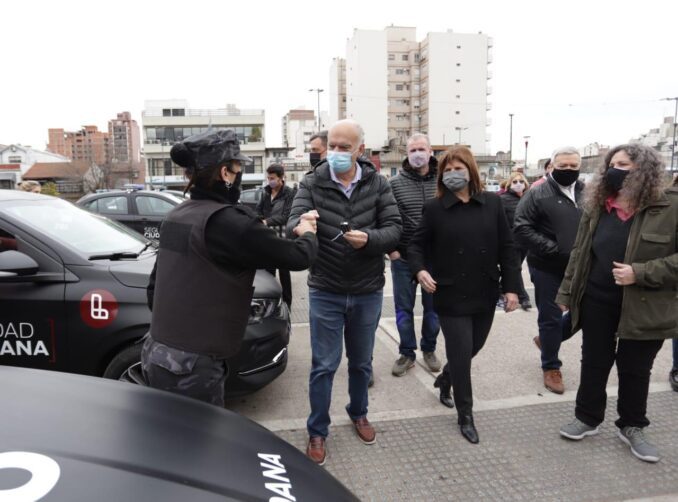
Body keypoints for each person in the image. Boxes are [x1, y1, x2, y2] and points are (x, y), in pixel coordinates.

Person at [142, 129, 318, 407]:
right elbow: (299, 257)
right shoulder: (231, 223)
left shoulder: (176, 215)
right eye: (238, 169)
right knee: (200, 445)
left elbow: (155, 290)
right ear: (225, 173)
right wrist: (308, 231)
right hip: (193, 365)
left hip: (156, 352)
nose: (239, 176)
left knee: (169, 440)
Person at [287, 119, 401, 465]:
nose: (336, 152)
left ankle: (359, 412)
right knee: (323, 365)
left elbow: (395, 230)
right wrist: (302, 225)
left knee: (362, 363)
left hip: (367, 289)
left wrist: (370, 240)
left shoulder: (379, 184)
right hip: (326, 289)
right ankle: (317, 431)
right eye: (332, 146)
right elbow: (294, 222)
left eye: (343, 147)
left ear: (360, 151)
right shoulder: (312, 181)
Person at [556, 144, 678, 463]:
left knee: (635, 368)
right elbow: (580, 254)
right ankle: (587, 417)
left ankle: (632, 426)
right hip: (597, 299)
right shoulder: (598, 204)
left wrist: (640, 273)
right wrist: (567, 295)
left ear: (644, 169)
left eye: (624, 164)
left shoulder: (669, 206)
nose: (615, 169)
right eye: (612, 164)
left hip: (644, 305)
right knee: (594, 361)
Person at [408, 145, 521, 444]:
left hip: (484, 290)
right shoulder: (435, 208)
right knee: (461, 354)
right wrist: (420, 271)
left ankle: (445, 378)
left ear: (471, 171)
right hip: (450, 292)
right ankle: (465, 414)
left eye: (458, 168)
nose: (452, 174)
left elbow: (508, 248)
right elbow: (416, 245)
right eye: (447, 169)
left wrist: (512, 288)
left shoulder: (493, 204)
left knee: (473, 347)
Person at [514, 146, 584, 394]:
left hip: (581, 267)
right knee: (551, 317)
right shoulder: (537, 193)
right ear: (552, 166)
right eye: (562, 166)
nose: (568, 170)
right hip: (547, 266)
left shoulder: (589, 193)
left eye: (573, 166)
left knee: (585, 312)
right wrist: (554, 249)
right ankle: (551, 367)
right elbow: (521, 228)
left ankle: (547, 341)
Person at [388, 133, 441, 377]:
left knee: (433, 310)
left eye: (422, 149)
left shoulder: (442, 181)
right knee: (403, 309)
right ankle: (407, 352)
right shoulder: (395, 184)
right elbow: (386, 218)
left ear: (431, 152)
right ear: (406, 154)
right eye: (412, 150)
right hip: (404, 259)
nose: (417, 154)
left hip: (435, 259)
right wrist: (392, 250)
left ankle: (429, 349)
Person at [256, 163, 295, 307]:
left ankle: (287, 306)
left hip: (283, 239)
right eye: (268, 178)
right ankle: (270, 306)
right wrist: (259, 219)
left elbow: (287, 215)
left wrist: (267, 221)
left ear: (281, 178)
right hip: (267, 238)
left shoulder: (290, 193)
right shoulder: (266, 192)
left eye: (272, 178)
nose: (270, 181)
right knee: (268, 274)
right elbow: (259, 210)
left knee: (284, 274)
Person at [500, 172, 532, 310]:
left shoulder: (529, 198)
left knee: (515, 267)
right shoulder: (503, 199)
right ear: (509, 184)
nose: (518, 184)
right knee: (516, 268)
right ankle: (524, 297)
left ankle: (502, 286)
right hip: (512, 241)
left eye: (521, 181)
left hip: (526, 241)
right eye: (514, 182)